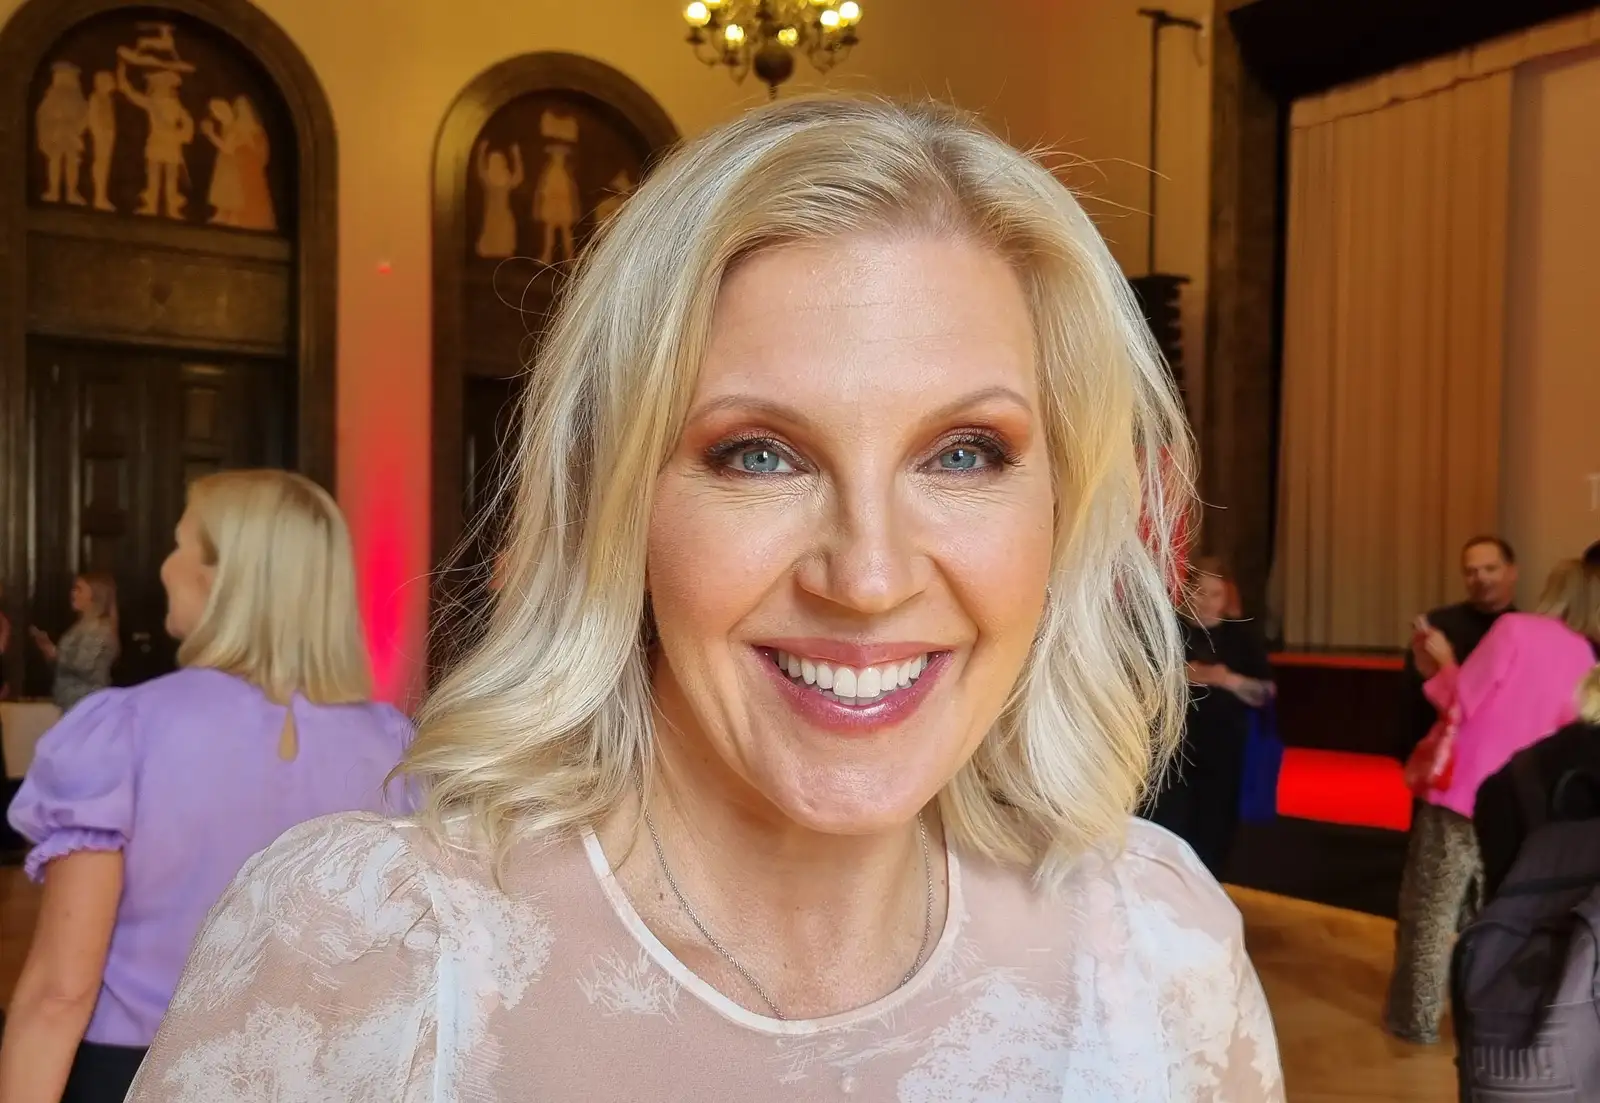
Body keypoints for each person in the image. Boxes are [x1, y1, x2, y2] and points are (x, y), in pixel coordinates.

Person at [127, 99, 1283, 1101]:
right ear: (615, 504)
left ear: (1062, 507)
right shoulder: (368, 948)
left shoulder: (1156, 946)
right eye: (759, 454)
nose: (868, 577)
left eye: (964, 452)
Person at [0, 470, 415, 1103]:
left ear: (222, 575)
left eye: (179, 544)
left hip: (141, 1074)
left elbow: (61, 991)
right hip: (329, 1077)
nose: (165, 566)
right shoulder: (395, 747)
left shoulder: (125, 732)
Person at [1385, 558, 1600, 1044]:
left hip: (1463, 789)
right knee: (1496, 913)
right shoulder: (1586, 657)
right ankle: (1484, 1013)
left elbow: (1463, 699)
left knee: (1431, 911)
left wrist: (1441, 663)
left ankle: (1414, 1021)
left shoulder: (1514, 629)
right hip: (1522, 803)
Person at [1148, 558, 1275, 878]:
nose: (1206, 601)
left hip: (1223, 749)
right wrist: (1182, 675)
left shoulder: (1240, 636)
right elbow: (1141, 682)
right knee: (1168, 825)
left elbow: (1266, 693)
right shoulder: (1168, 629)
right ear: (1187, 592)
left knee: (1215, 829)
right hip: (1171, 751)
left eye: (1215, 594)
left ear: (1226, 597)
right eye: (1200, 592)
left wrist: (1226, 679)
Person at [1399, 536, 1518, 761]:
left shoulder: (1525, 630)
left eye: (1490, 569)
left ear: (1512, 572)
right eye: (1471, 572)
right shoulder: (1439, 624)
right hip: (1442, 754)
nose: (1481, 578)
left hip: (1502, 754)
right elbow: (1412, 700)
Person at [30, 573, 119, 712]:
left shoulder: (101, 630)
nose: (73, 594)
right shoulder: (78, 627)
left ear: (96, 595)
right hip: (71, 703)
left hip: (88, 704)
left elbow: (84, 665)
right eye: (74, 589)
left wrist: (55, 654)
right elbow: (65, 669)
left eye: (79, 589)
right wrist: (49, 652)